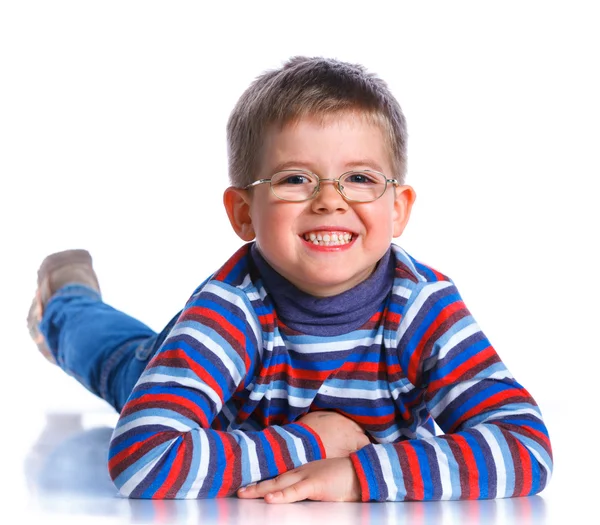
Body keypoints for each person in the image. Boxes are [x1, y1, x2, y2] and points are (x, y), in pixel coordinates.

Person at [27, 56, 553, 503]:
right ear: (243, 213)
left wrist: (356, 476)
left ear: (398, 209)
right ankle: (66, 300)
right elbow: (144, 458)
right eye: (295, 179)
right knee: (121, 361)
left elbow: (525, 446)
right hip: (196, 375)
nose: (329, 199)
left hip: (270, 428)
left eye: (360, 178)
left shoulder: (422, 308)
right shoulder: (231, 310)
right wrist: (311, 443)